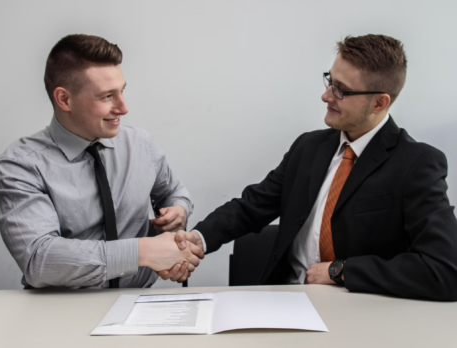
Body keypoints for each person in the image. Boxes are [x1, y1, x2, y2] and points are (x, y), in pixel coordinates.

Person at [164, 34, 457, 300]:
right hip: (286, 302)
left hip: (360, 313)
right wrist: (196, 240)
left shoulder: (416, 163)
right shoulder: (309, 147)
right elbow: (251, 207)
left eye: (341, 90)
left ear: (380, 103)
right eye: (330, 81)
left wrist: (340, 271)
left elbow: (445, 270)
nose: (326, 95)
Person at [0, 34, 203, 289]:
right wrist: (141, 251)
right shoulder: (19, 166)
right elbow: (40, 260)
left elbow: (174, 192)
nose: (123, 108)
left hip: (138, 303)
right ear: (64, 99)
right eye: (107, 96)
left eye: (122, 91)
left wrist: (177, 212)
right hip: (59, 313)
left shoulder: (141, 144)